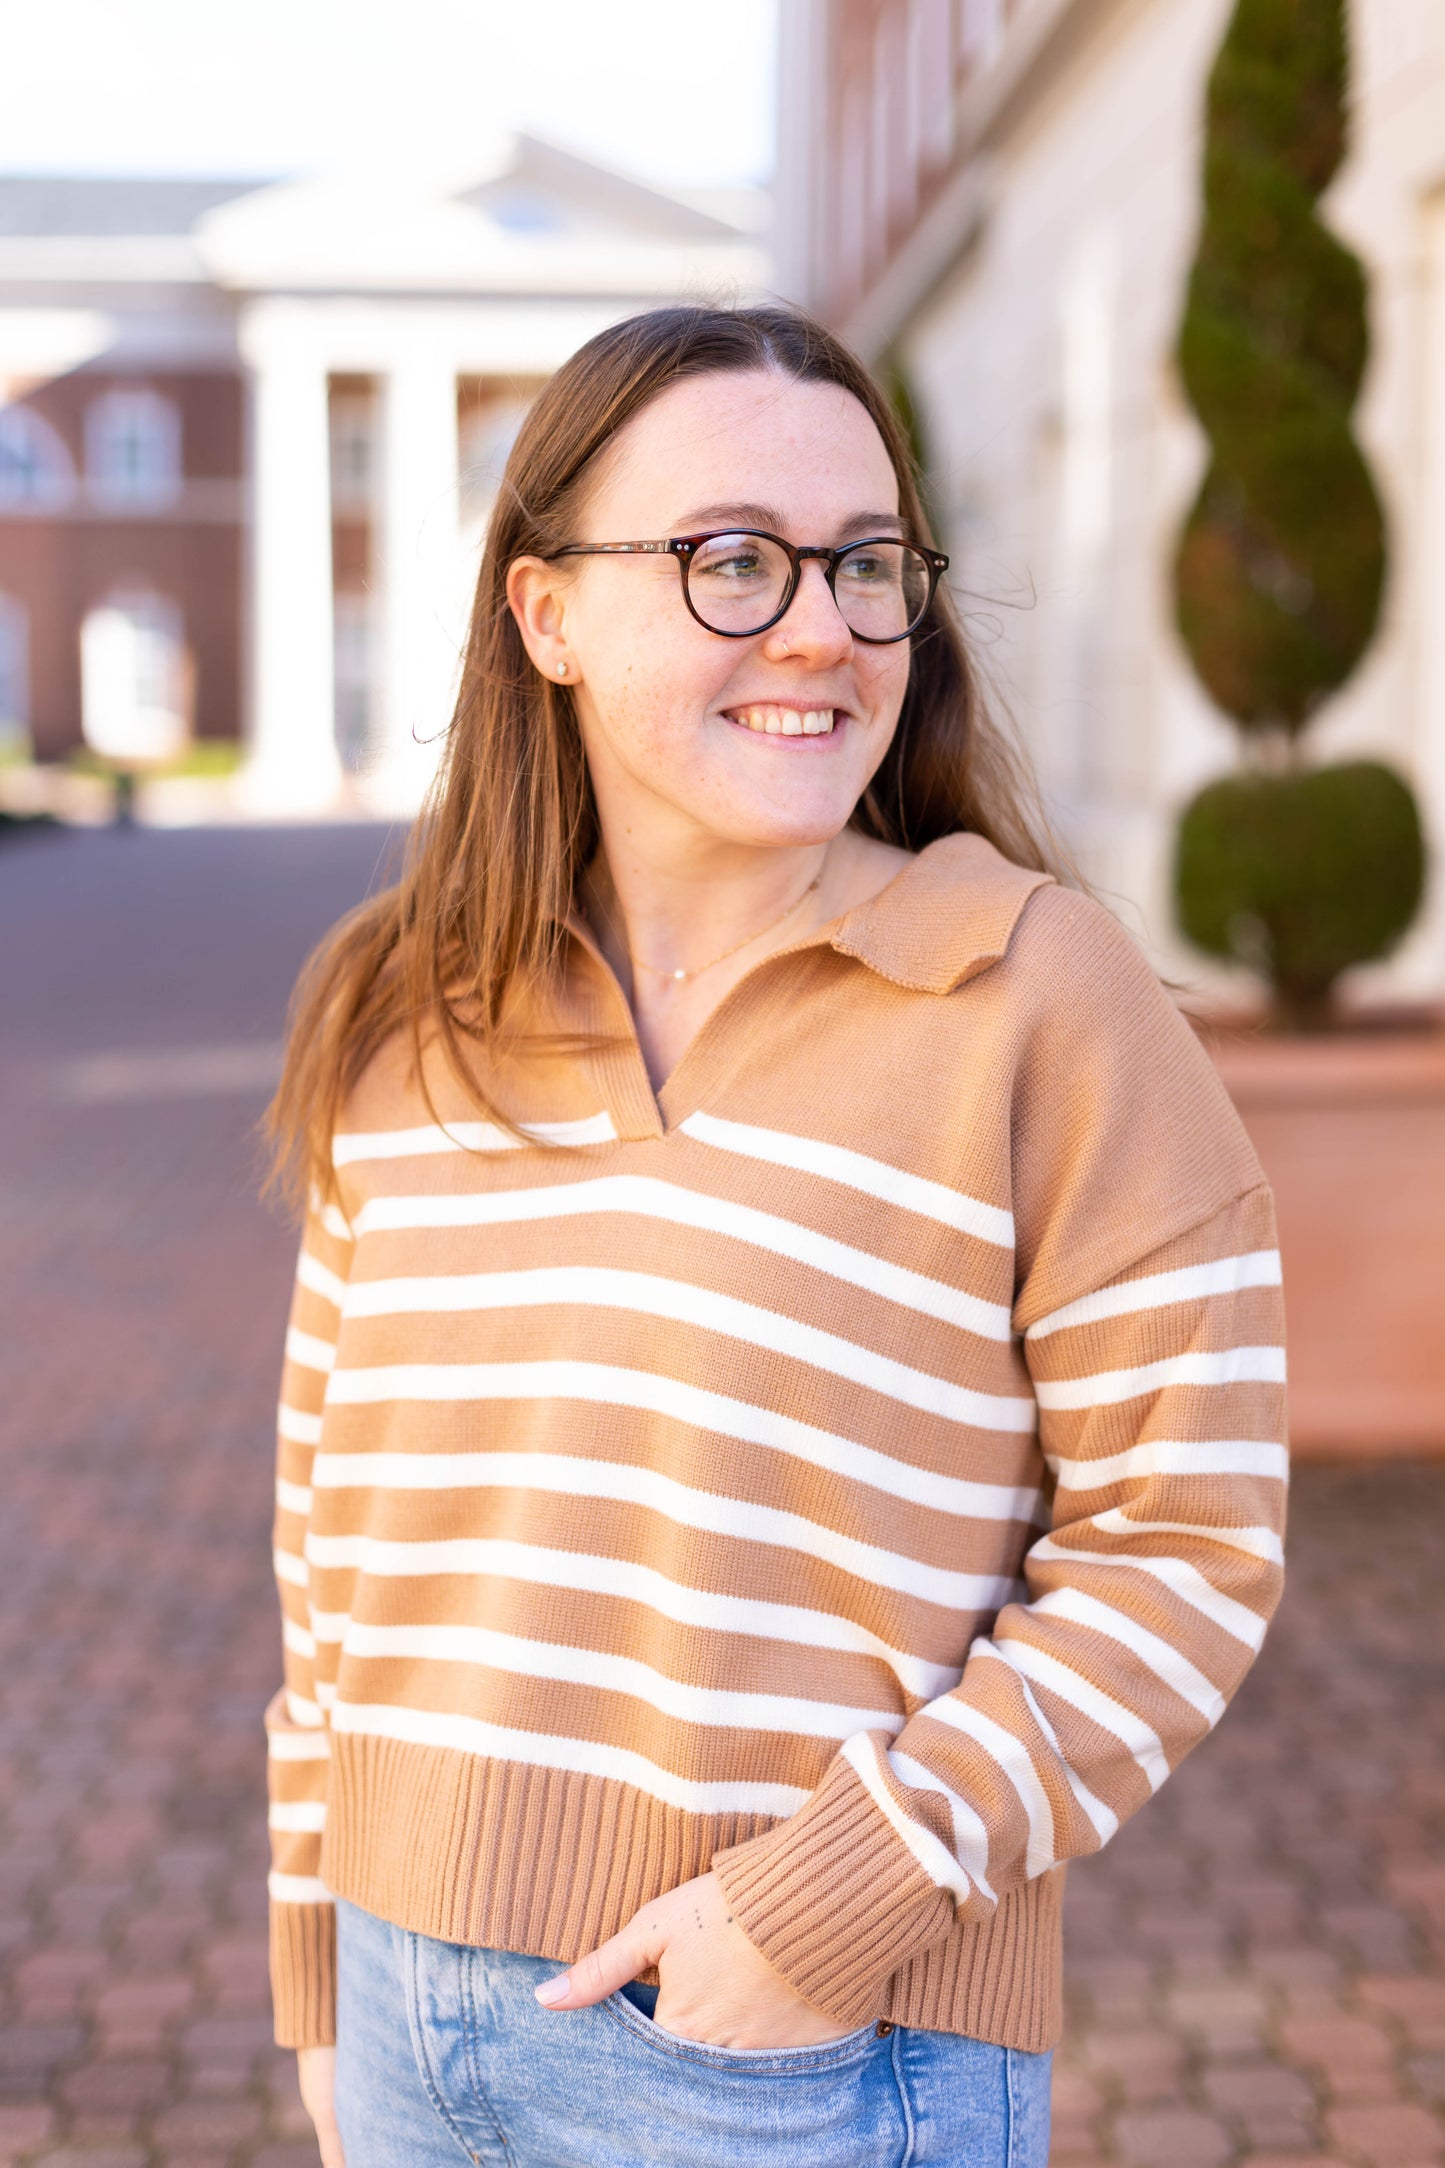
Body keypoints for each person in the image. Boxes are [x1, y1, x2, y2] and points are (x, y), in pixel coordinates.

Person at [263, 304, 1287, 2167]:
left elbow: (1188, 1538)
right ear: (545, 616)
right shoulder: (407, 1002)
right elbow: (329, 1545)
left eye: (864, 564)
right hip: (410, 2025)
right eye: (730, 561)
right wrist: (321, 1973)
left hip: (795, 2051)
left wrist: (815, 1918)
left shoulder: (1037, 997)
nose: (820, 626)